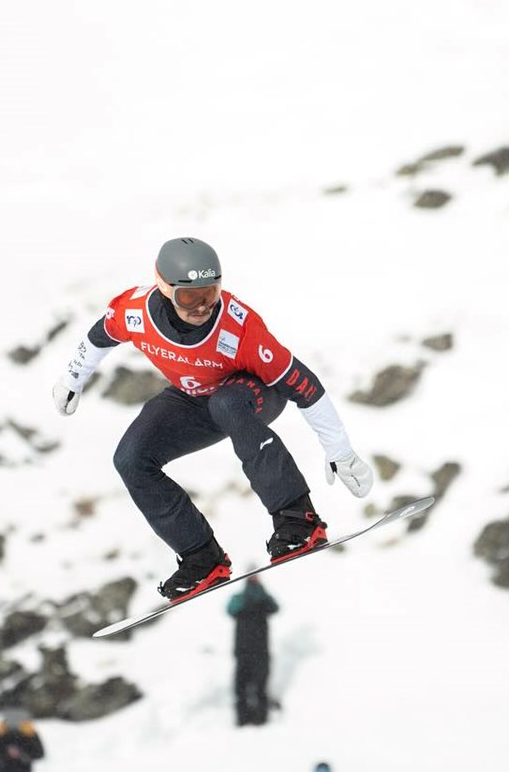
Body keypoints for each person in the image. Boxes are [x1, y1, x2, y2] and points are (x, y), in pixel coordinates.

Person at [52, 237, 375, 601]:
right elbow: (101, 335)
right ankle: (201, 558)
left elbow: (303, 385)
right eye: (191, 297)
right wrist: (72, 379)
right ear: (164, 290)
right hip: (193, 396)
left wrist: (340, 450)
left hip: (250, 396)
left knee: (226, 403)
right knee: (130, 459)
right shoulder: (134, 311)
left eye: (212, 293)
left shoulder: (240, 328)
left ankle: (298, 520)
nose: (204, 306)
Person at [227, 576, 279, 725]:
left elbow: (275, 608)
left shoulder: (260, 599)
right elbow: (230, 609)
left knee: (255, 686)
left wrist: (261, 596)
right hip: (250, 650)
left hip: (254, 649)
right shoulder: (241, 599)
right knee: (245, 686)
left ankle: (255, 718)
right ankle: (248, 718)